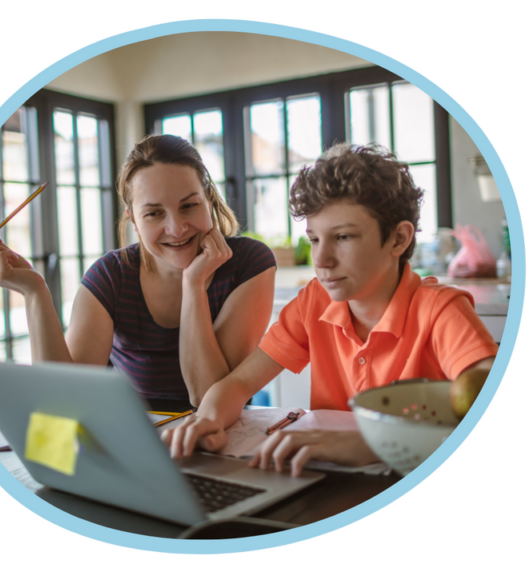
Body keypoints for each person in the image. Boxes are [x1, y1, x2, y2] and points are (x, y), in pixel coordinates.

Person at [163, 143, 499, 474]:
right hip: (326, 482)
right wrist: (206, 421)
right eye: (314, 239)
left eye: (343, 238)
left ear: (398, 239)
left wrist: (368, 445)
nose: (321, 261)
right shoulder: (314, 301)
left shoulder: (440, 310)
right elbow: (237, 385)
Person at [0, 135, 276, 408]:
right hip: (136, 446)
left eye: (189, 206)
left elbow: (207, 396)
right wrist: (34, 292)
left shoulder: (250, 263)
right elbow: (62, 400)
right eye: (154, 213)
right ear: (132, 219)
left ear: (208, 199)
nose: (177, 228)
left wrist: (193, 284)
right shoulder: (111, 276)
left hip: (225, 441)